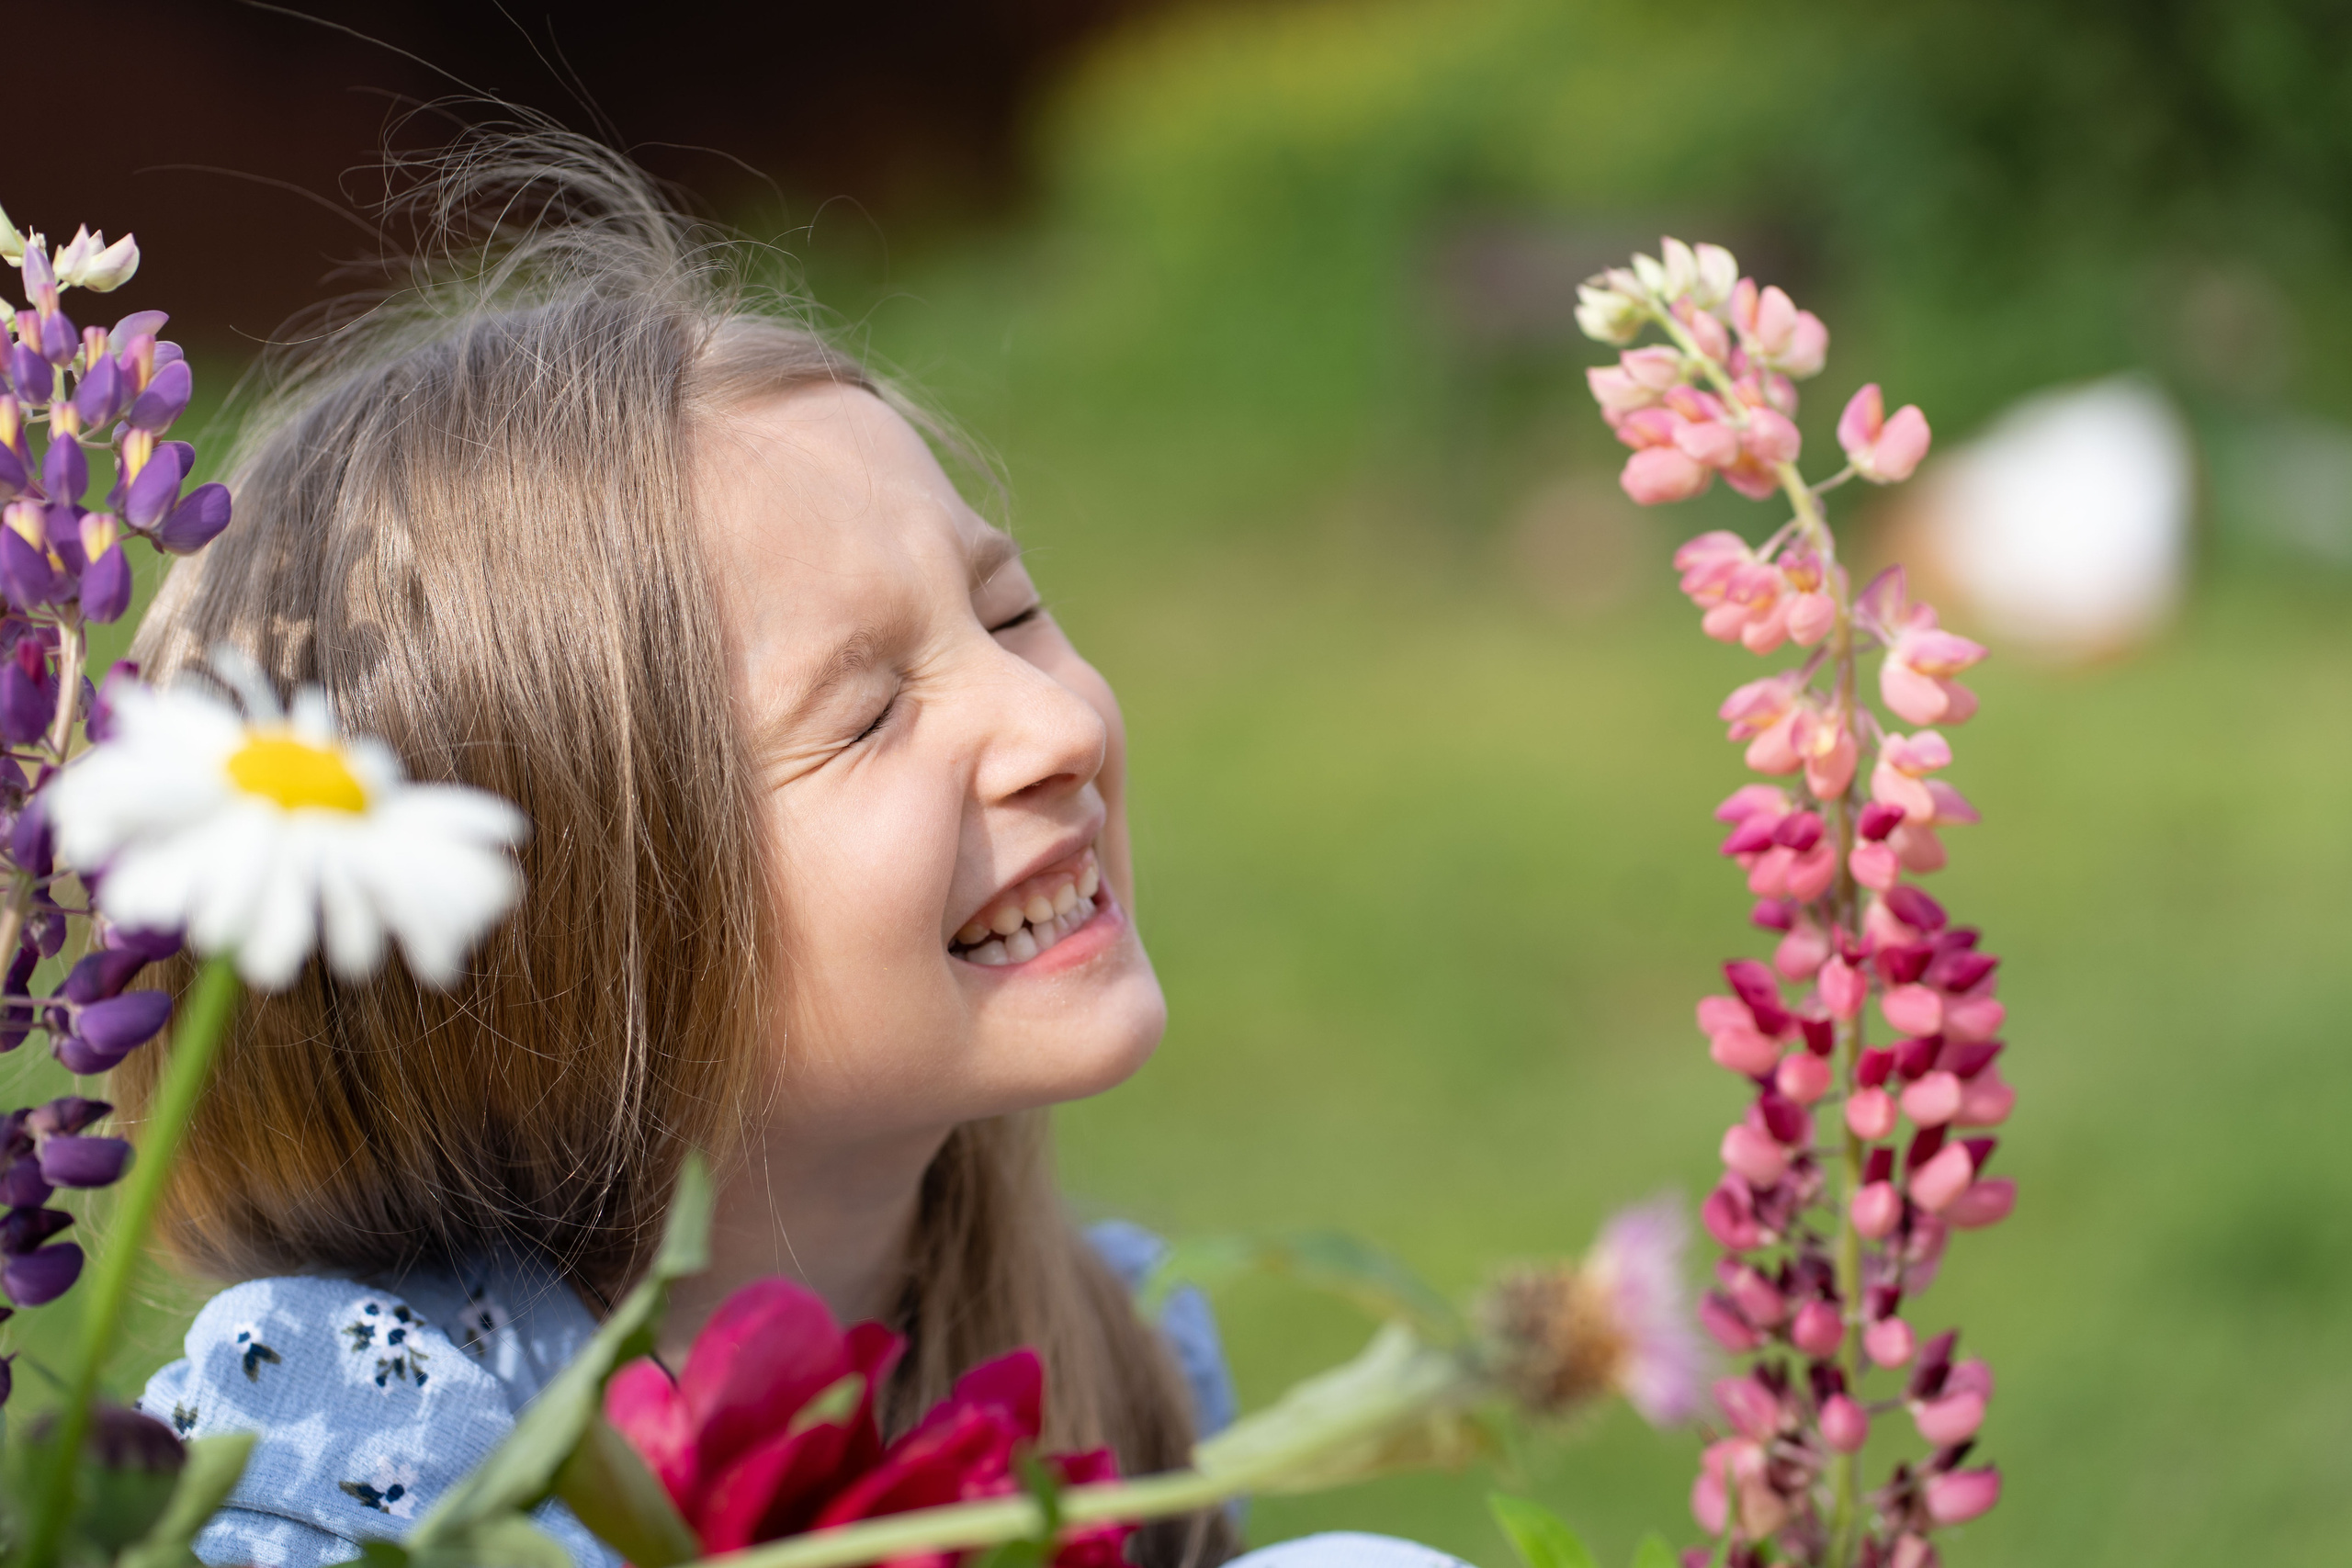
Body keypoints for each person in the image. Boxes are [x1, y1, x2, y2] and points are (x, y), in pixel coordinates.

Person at [119, 134, 1465, 1568]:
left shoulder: (1103, 1348)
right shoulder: (351, 1465)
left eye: (1009, 614)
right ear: (568, 945)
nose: (1056, 723)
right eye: (868, 714)